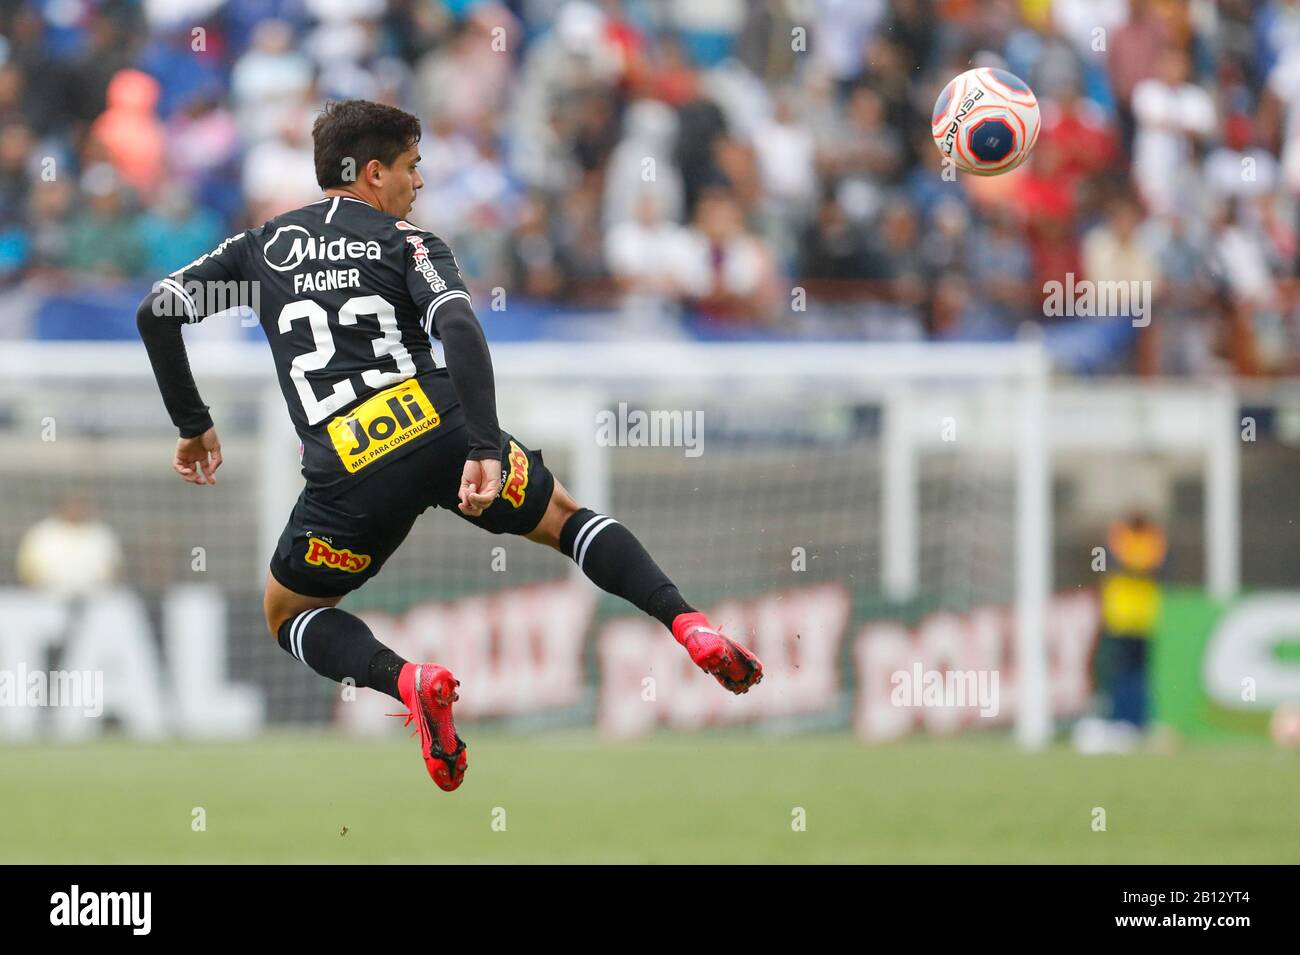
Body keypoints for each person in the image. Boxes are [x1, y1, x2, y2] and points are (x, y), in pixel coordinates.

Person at [135, 100, 762, 793]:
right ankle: (689, 623)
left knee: (290, 612)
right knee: (567, 519)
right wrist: (485, 446)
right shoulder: (409, 243)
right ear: (373, 173)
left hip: (349, 470)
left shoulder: (262, 249)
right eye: (412, 167)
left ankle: (410, 681)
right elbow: (460, 328)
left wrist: (193, 423)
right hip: (441, 429)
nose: (419, 183)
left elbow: (155, 310)